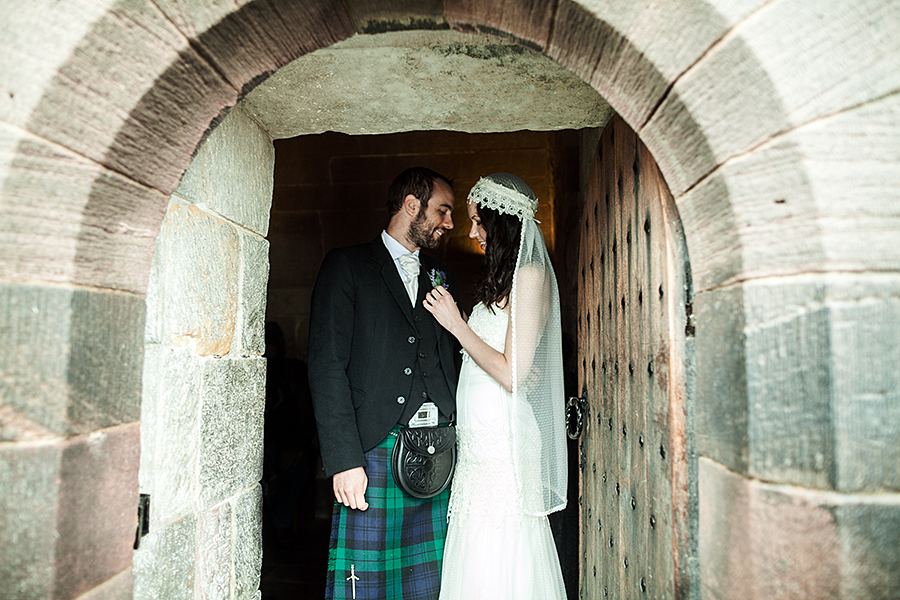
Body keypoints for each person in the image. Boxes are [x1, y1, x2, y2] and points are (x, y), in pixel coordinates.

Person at [308, 167, 461, 600]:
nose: (449, 224)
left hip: (437, 452)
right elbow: (326, 366)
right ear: (411, 205)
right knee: (367, 584)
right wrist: (342, 459)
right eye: (442, 211)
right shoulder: (348, 265)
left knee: (427, 587)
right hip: (372, 450)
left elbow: (449, 360)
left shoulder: (442, 276)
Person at [423, 173, 567, 600]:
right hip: (480, 446)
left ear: (501, 223)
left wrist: (456, 325)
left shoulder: (531, 275)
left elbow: (510, 373)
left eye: (478, 222)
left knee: (503, 547)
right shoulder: (505, 280)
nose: (471, 232)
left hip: (503, 446)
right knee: (477, 550)